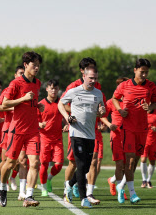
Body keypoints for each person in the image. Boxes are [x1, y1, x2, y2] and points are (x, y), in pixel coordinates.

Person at [0, 51, 44, 207]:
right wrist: (23, 99)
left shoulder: (37, 83)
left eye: (38, 65)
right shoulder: (15, 83)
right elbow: (4, 104)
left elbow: (31, 102)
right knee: (10, 163)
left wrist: (37, 105)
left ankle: (29, 196)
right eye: (34, 65)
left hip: (33, 130)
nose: (37, 68)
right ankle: (3, 187)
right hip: (17, 130)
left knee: (35, 162)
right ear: (26, 65)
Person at [112, 58, 156, 204]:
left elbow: (155, 102)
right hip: (128, 129)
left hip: (143, 129)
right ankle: (132, 193)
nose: (144, 75)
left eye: (146, 72)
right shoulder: (124, 85)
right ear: (135, 70)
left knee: (135, 162)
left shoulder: (151, 86)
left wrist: (150, 108)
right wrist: (120, 110)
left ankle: (120, 186)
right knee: (130, 161)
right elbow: (114, 98)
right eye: (142, 72)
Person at [58, 66, 105, 209]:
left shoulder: (98, 93)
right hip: (76, 133)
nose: (93, 81)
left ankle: (69, 185)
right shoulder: (74, 91)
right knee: (80, 165)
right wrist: (67, 117)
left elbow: (101, 109)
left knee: (85, 168)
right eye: (91, 78)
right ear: (83, 76)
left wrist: (101, 110)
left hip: (91, 135)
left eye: (95, 78)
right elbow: (60, 103)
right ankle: (84, 198)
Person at [0, 65, 24, 198]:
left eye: (24, 73)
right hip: (9, 130)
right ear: (15, 75)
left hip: (24, 129)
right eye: (20, 73)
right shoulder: (8, 90)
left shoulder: (29, 90)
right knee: (7, 161)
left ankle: (23, 192)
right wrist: (12, 108)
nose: (22, 75)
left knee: (22, 161)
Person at [100, 77, 129, 198]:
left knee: (129, 166)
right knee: (120, 165)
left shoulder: (130, 101)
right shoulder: (111, 102)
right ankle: (121, 192)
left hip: (130, 136)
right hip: (116, 135)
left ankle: (112, 181)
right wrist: (109, 125)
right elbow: (102, 116)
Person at [38, 79, 66, 197]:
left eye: (55, 88)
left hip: (57, 139)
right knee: (44, 164)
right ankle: (44, 188)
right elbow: (33, 120)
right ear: (47, 89)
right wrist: (39, 124)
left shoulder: (61, 104)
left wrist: (67, 124)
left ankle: (49, 179)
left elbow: (66, 116)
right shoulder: (40, 104)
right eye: (51, 88)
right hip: (44, 138)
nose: (53, 90)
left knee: (59, 164)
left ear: (58, 90)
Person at [140, 109, 156, 188]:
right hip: (143, 140)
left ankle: (148, 180)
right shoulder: (141, 112)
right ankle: (143, 180)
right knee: (143, 159)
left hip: (154, 141)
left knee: (152, 161)